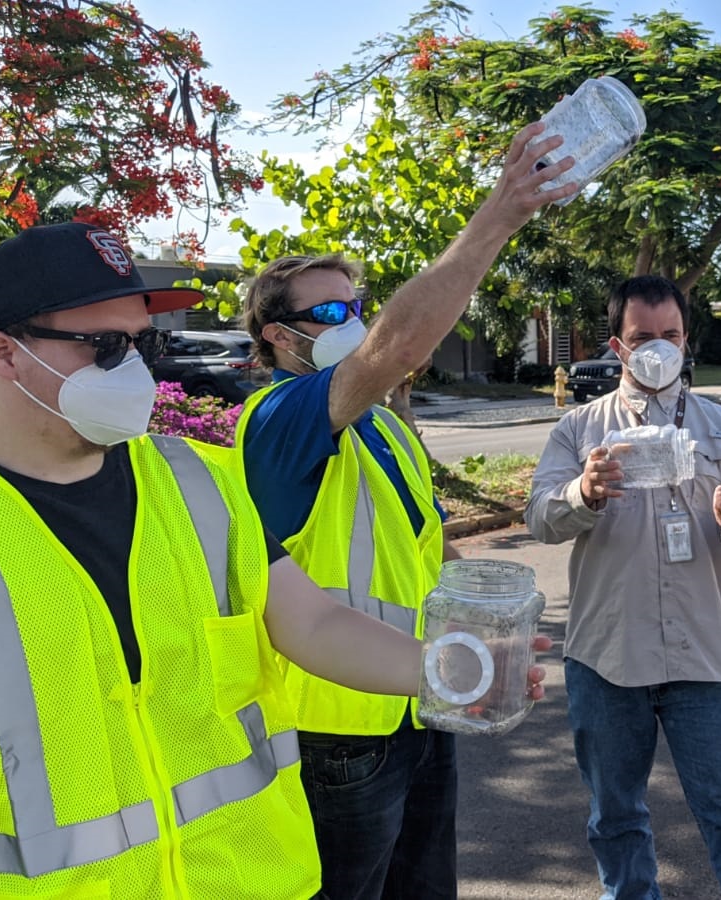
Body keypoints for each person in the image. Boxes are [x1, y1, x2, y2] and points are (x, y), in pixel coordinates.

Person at [0, 222, 547, 899]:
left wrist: (448, 668)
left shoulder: (199, 481)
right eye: (107, 346)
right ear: (5, 353)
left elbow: (310, 623)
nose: (135, 368)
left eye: (146, 343)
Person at [233, 123, 576, 900]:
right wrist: (501, 213)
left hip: (420, 705)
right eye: (328, 315)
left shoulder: (383, 424)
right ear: (277, 338)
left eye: (355, 306)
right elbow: (394, 350)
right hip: (341, 730)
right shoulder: (281, 417)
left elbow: (425, 545)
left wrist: (488, 641)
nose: (350, 323)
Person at [525, 275, 721, 900]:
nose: (659, 348)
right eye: (644, 337)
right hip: (606, 657)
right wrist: (583, 492)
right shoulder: (580, 431)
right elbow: (539, 517)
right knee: (615, 820)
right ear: (617, 345)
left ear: (686, 339)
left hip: (703, 657)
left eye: (670, 335)